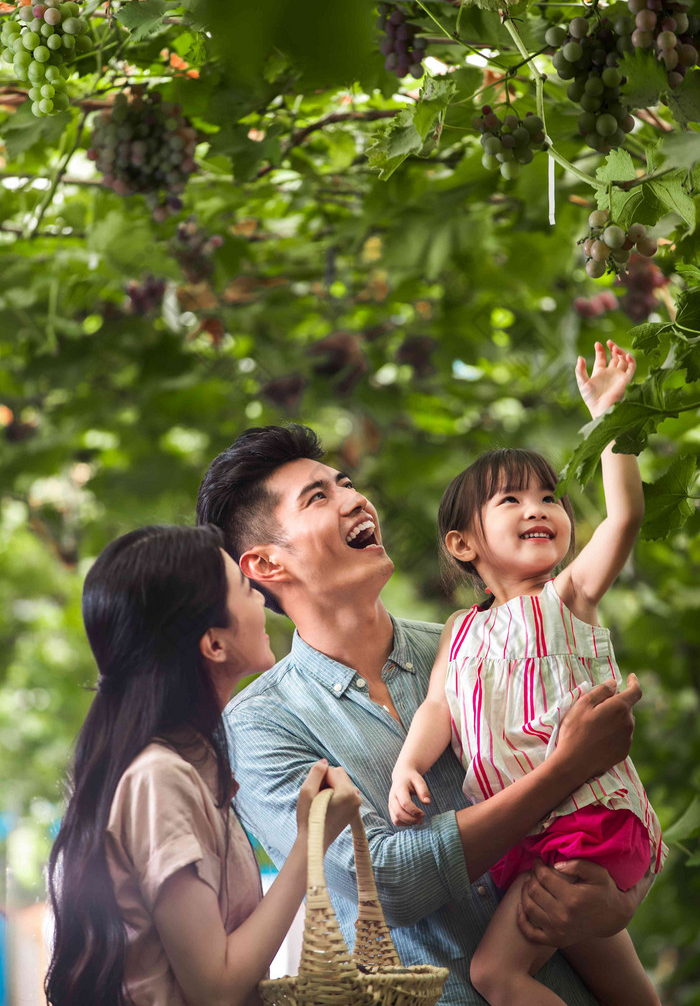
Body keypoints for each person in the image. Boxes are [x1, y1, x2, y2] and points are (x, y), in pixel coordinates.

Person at [195, 418, 649, 1006]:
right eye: (318, 497)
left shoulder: (481, 646)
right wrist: (564, 768)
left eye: (346, 482)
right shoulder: (259, 725)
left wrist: (618, 902)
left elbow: (606, 803)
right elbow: (382, 883)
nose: (356, 499)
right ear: (266, 566)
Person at [389, 341, 666, 1006]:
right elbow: (437, 709)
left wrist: (609, 419)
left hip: (586, 820)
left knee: (496, 976)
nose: (537, 507)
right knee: (634, 996)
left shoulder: (566, 598)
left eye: (549, 497)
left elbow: (625, 516)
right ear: (463, 544)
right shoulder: (459, 632)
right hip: (531, 832)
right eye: (510, 500)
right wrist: (408, 764)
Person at [45, 524, 360, 1006]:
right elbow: (215, 986)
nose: (258, 597)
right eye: (242, 588)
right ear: (213, 644)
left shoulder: (185, 767)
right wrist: (309, 846)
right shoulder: (160, 778)